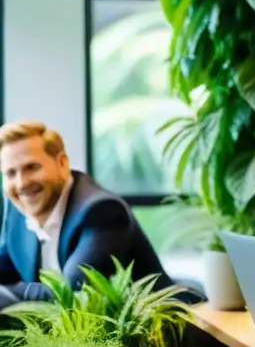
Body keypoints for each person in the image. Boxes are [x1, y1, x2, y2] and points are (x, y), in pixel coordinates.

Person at [0, 121, 170, 308]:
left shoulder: (102, 211)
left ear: (62, 163)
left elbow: (73, 293)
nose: (21, 183)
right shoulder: (17, 208)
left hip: (160, 328)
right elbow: (6, 267)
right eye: (10, 173)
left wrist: (10, 292)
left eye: (32, 167)